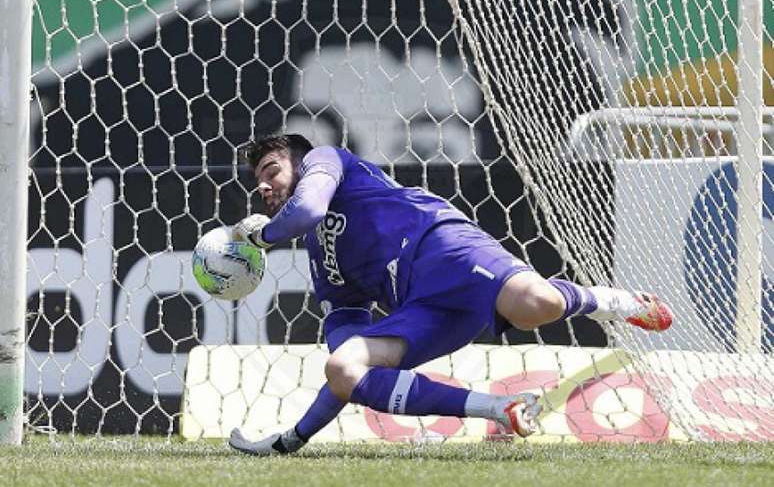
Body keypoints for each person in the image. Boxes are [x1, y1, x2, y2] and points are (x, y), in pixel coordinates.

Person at [228, 134, 673, 455]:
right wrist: (292, 439)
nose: (263, 186)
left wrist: (263, 237)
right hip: (426, 308)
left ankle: (621, 303)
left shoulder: (328, 160)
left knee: (536, 307)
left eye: (272, 171)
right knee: (343, 366)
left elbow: (308, 208)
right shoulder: (321, 254)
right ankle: (500, 408)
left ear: (303, 165)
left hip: (440, 244)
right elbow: (343, 363)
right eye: (258, 183)